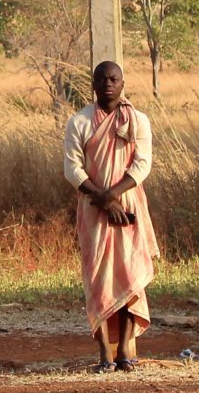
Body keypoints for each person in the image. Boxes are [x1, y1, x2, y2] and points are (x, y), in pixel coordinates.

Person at [63, 61, 159, 373]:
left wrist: (113, 195)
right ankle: (104, 350)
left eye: (114, 79)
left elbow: (142, 164)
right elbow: (72, 169)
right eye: (102, 79)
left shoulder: (138, 120)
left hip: (128, 204)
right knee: (98, 278)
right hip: (93, 209)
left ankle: (126, 350)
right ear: (93, 83)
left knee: (131, 274)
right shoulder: (80, 121)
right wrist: (102, 199)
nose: (108, 83)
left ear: (122, 83)